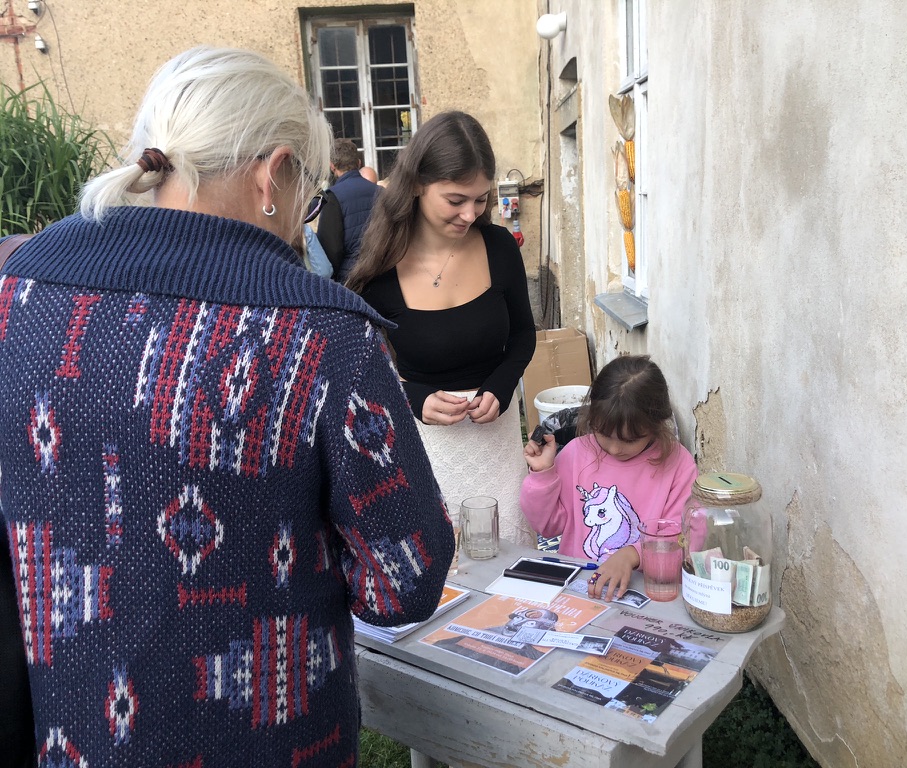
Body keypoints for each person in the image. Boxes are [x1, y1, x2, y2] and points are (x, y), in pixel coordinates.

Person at [0, 47, 453, 768]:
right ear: (272, 176)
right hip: (271, 745)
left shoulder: (15, 294)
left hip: (76, 736)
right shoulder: (324, 334)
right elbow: (404, 580)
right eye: (308, 199)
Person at [347, 111, 537, 547]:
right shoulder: (378, 272)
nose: (471, 214)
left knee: (507, 570)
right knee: (442, 576)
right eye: (456, 200)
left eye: (481, 199)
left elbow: (525, 334)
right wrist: (414, 399)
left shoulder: (499, 248)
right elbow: (362, 368)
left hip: (498, 443)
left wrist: (502, 386)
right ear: (416, 184)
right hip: (428, 451)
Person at [520, 355, 698, 601]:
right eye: (604, 434)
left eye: (630, 440)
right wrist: (542, 474)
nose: (615, 449)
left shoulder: (678, 465)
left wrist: (632, 555)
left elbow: (686, 540)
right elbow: (548, 527)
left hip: (649, 596)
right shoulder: (575, 454)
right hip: (579, 591)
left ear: (656, 424)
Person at [316, 138, 382, 282]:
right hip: (384, 272)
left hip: (351, 279)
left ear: (332, 166)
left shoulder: (331, 197)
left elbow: (330, 249)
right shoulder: (382, 192)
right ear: (358, 163)